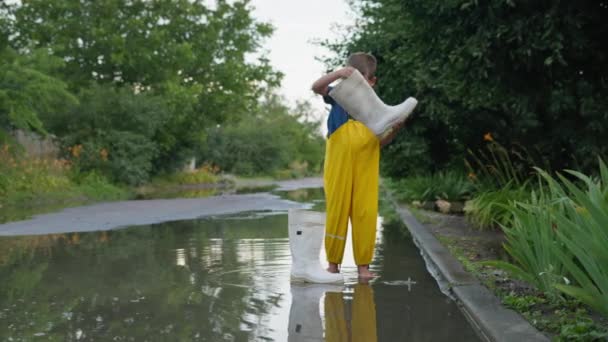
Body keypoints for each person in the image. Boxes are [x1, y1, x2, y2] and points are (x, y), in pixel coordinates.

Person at [311, 52, 404, 279]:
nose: (360, 86)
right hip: (339, 159)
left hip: (367, 159)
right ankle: (333, 264)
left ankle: (364, 266)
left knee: (365, 210)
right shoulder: (339, 96)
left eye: (365, 81)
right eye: (354, 80)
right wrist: (339, 73)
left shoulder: (378, 109)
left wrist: (396, 130)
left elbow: (380, 143)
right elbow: (316, 87)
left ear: (373, 82)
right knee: (338, 208)